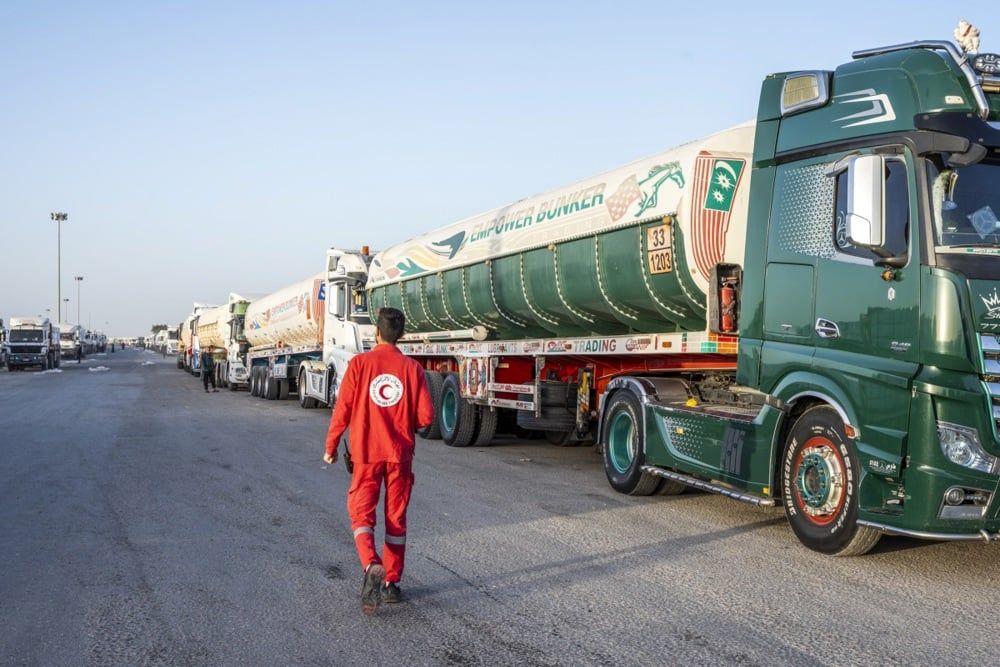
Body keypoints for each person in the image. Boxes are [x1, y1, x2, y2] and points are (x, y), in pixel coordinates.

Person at [323, 307, 433, 616]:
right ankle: (392, 585)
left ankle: (372, 564)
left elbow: (342, 408)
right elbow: (426, 417)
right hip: (399, 456)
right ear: (403, 334)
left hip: (366, 455)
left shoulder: (359, 364)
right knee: (395, 519)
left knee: (361, 514)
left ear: (376, 332)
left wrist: (331, 445)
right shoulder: (413, 369)